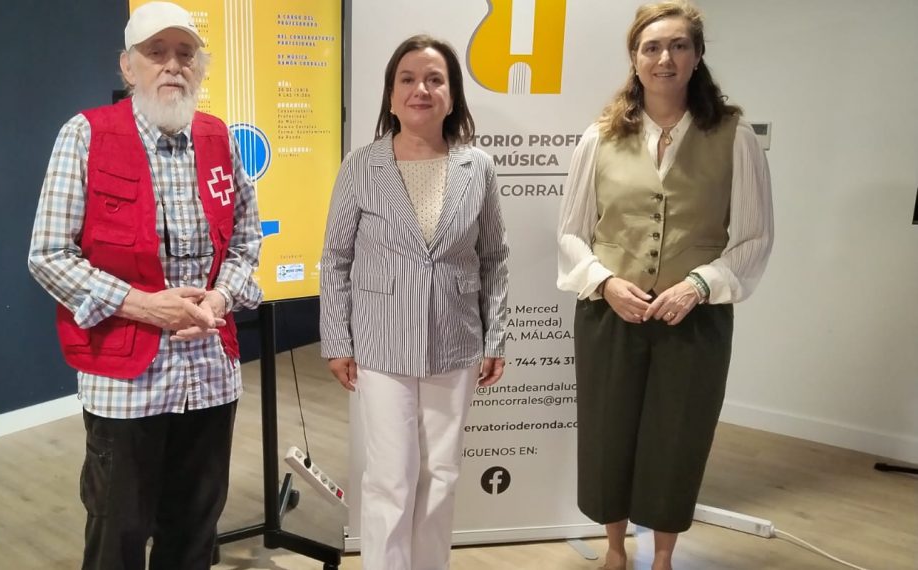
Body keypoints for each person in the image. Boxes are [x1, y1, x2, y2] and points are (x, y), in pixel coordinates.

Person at [27, 2, 262, 568]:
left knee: (194, 533)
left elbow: (246, 243)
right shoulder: (86, 135)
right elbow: (49, 255)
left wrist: (219, 298)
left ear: (200, 67)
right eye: (157, 53)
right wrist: (146, 307)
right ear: (127, 66)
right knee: (119, 536)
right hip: (126, 383)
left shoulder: (219, 139)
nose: (173, 65)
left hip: (209, 375)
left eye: (185, 54)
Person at [556, 2, 774, 569]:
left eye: (679, 46)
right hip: (609, 314)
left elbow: (755, 237)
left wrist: (699, 284)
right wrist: (605, 283)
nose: (665, 58)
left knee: (678, 438)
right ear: (635, 58)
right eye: (651, 47)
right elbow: (572, 233)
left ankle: (663, 558)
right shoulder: (599, 137)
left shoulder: (733, 135)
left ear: (697, 56)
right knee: (608, 434)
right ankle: (614, 550)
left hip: (695, 318)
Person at [319, 34, 510, 570]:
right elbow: (335, 258)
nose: (420, 89)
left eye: (434, 79)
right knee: (390, 477)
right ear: (390, 94)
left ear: (452, 95)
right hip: (381, 343)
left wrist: (495, 337)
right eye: (407, 79)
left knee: (442, 473)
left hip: (456, 342)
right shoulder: (361, 165)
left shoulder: (478, 167)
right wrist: (337, 339)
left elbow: (494, 257)